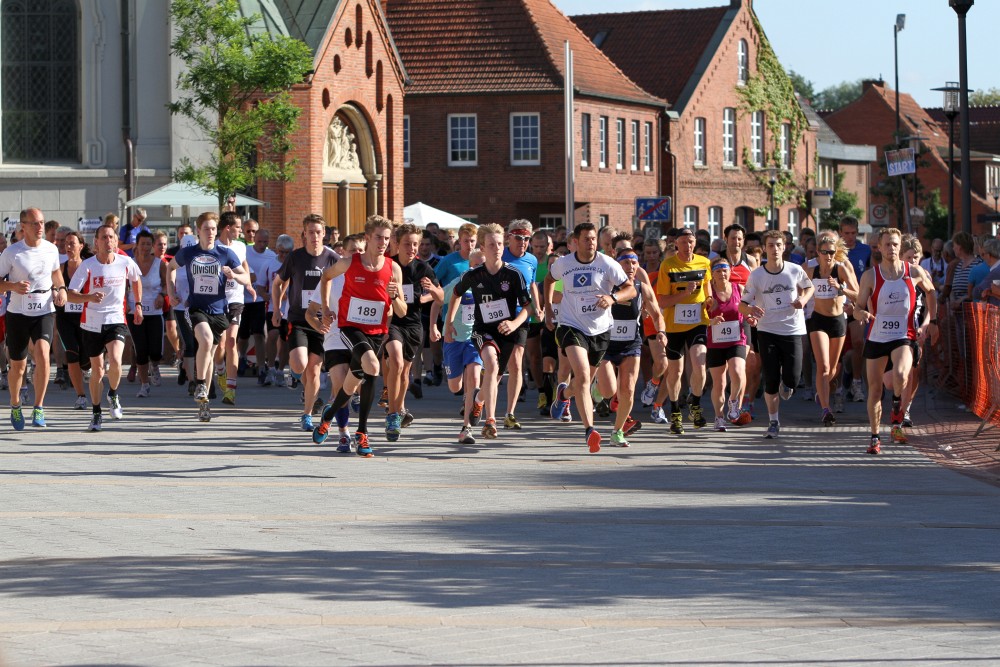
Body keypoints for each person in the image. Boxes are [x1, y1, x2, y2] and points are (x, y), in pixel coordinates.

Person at [312, 215, 405, 457]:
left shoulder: (393, 268)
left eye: (387, 239)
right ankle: (362, 433)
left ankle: (328, 416)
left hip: (377, 332)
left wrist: (395, 296)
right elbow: (325, 277)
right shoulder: (349, 262)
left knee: (354, 381)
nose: (383, 243)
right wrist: (326, 309)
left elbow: (402, 311)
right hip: (350, 327)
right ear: (367, 238)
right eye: (378, 238)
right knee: (373, 366)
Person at [545, 222, 635, 452]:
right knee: (584, 376)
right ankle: (589, 430)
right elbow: (548, 280)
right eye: (586, 239)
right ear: (576, 241)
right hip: (571, 325)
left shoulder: (607, 263)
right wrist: (548, 309)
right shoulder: (564, 263)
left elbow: (631, 289)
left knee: (581, 383)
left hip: (600, 330)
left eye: (594, 238)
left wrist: (613, 298)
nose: (591, 243)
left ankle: (563, 394)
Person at [853, 228, 938, 455]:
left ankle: (898, 405)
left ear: (900, 247)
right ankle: (875, 437)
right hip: (877, 337)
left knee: (901, 375)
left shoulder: (914, 272)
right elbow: (857, 307)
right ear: (879, 248)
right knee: (875, 390)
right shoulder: (870, 276)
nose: (891, 248)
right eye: (887, 244)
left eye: (895, 244)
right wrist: (861, 314)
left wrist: (932, 321)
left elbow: (931, 293)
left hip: (903, 336)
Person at [449, 223, 534, 441]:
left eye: (499, 244)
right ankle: (490, 421)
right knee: (491, 363)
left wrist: (514, 324)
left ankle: (479, 400)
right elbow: (456, 294)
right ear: (482, 248)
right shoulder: (474, 274)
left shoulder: (513, 274)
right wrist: (449, 322)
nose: (496, 248)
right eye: (491, 245)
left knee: (494, 378)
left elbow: (528, 307)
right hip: (482, 330)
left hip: (506, 332)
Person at [167, 212, 250, 421]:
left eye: (213, 229)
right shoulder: (189, 252)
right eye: (207, 229)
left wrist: (233, 275)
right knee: (205, 340)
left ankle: (204, 404)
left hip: (219, 311)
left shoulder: (225, 253)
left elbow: (246, 278)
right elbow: (170, 268)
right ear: (198, 231)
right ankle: (200, 384)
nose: (211, 233)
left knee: (210, 354)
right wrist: (171, 291)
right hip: (196, 308)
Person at [66, 224, 143, 431]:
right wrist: (89, 297)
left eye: (111, 237)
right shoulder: (88, 265)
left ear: (116, 241)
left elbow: (136, 280)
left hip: (116, 319)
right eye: (104, 238)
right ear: (96, 243)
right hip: (91, 322)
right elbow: (70, 294)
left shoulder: (126, 262)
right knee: (98, 371)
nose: (108, 241)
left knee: (116, 360)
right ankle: (96, 412)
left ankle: (114, 394)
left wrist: (137, 304)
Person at [739, 230, 814, 439]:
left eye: (778, 245)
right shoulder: (757, 275)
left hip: (792, 329)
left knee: (793, 378)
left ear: (784, 247)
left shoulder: (794, 270)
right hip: (767, 330)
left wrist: (803, 300)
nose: (775, 249)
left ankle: (787, 383)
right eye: (771, 245)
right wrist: (751, 310)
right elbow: (742, 305)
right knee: (770, 379)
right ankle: (773, 421)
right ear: (764, 249)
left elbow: (809, 287)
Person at [0, 208, 67, 429]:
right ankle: (15, 404)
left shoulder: (51, 249)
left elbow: (56, 273)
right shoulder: (12, 252)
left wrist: (61, 288)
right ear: (23, 226)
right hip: (18, 313)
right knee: (18, 367)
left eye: (41, 222)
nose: (40, 227)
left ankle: (39, 407)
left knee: (43, 355)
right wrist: (12, 286)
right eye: (34, 223)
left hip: (44, 309)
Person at [271, 214, 339, 429]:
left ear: (324, 234)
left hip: (321, 323)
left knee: (314, 371)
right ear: (304, 234)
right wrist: (276, 309)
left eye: (318, 232)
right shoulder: (295, 257)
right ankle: (295, 373)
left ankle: (307, 414)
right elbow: (277, 283)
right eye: (311, 232)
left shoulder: (333, 258)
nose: (315, 236)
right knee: (300, 364)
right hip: (299, 319)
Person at [594, 247, 666, 446]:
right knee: (608, 391)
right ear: (617, 265)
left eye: (634, 263)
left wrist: (661, 331)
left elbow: (657, 314)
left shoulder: (642, 288)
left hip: (631, 344)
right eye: (626, 262)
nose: (631, 266)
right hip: (606, 344)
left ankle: (617, 432)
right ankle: (597, 385)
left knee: (627, 390)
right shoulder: (606, 284)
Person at [305, 233, 366, 452]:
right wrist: (319, 324)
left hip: (361, 340)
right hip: (335, 340)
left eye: (361, 250)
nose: (357, 254)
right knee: (341, 388)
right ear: (343, 253)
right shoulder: (331, 279)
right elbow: (310, 313)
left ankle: (330, 414)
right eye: (353, 250)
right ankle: (344, 435)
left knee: (352, 389)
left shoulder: (370, 279)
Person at [383, 222, 442, 441]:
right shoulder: (389, 265)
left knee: (405, 371)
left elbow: (441, 297)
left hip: (413, 324)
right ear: (397, 243)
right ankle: (392, 415)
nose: (412, 248)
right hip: (392, 322)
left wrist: (430, 291)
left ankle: (398, 409)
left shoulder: (423, 268)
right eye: (407, 244)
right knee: (396, 361)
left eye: (415, 244)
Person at [652, 227, 711, 434]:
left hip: (698, 322)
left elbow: (707, 288)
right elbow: (662, 301)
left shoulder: (704, 262)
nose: (688, 246)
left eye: (691, 242)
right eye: (684, 242)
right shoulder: (668, 265)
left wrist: (710, 301)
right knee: (676, 372)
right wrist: (685, 293)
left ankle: (695, 405)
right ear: (676, 244)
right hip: (674, 326)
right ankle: (675, 412)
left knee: (700, 365)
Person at [432, 249, 485, 444]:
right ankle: (467, 396)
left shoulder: (491, 285)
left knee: (474, 377)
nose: (481, 269)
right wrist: (433, 326)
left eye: (484, 265)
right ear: (470, 267)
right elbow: (438, 300)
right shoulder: (460, 282)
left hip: (475, 338)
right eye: (477, 265)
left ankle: (466, 428)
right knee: (455, 386)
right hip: (454, 338)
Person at [806, 231, 858, 425]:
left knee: (834, 368)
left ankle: (823, 389)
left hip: (837, 321)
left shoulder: (841, 269)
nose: (828, 255)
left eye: (831, 252)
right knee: (824, 366)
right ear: (818, 252)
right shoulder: (810, 269)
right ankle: (826, 409)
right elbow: (794, 285)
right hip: (818, 320)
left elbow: (858, 294)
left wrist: (840, 288)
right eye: (824, 252)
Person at [499, 219, 541, 430]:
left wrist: (538, 306)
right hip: (497, 316)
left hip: (522, 315)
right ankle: (479, 402)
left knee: (516, 363)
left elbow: (532, 285)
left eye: (526, 238)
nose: (523, 242)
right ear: (509, 238)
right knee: (496, 366)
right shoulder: (499, 255)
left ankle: (510, 413)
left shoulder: (532, 260)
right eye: (518, 238)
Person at [213, 211, 254, 405]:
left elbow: (244, 264)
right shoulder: (213, 247)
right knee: (220, 344)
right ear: (228, 228)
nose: (241, 231)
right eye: (238, 227)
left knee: (231, 341)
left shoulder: (240, 246)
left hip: (236, 299)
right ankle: (220, 369)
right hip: (217, 299)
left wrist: (249, 285)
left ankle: (231, 389)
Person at [704, 256, 749, 431]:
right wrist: (711, 321)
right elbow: (699, 320)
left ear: (730, 272)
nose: (722, 274)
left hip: (737, 339)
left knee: (737, 371)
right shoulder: (708, 295)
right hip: (715, 342)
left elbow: (747, 310)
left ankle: (733, 401)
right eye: (718, 271)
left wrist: (751, 318)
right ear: (712, 274)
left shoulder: (739, 289)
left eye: (725, 271)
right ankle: (719, 417)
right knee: (719, 383)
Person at [127, 231, 168, 398]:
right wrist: (124, 303)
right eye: (142, 244)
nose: (145, 247)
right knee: (141, 349)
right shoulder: (129, 263)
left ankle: (155, 366)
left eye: (148, 244)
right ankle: (144, 385)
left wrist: (162, 295)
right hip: (134, 311)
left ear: (152, 246)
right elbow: (123, 286)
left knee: (156, 351)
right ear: (137, 245)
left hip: (155, 311)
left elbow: (167, 284)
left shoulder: (160, 264)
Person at [55, 231, 93, 410]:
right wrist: (55, 294)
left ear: (81, 246)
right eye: (66, 244)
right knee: (72, 353)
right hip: (65, 318)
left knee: (85, 357)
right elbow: (53, 286)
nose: (68, 247)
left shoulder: (89, 267)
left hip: (85, 317)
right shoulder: (60, 269)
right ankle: (81, 396)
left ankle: (87, 368)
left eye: (72, 243)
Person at [840, 216, 871, 403]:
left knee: (859, 343)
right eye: (846, 233)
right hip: (837, 304)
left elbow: (870, 276)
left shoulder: (865, 250)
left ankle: (857, 383)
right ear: (840, 233)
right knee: (840, 350)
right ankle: (841, 380)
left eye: (853, 233)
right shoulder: (835, 251)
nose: (850, 237)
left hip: (858, 303)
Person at [239, 220, 274, 385]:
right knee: (243, 334)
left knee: (259, 333)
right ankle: (242, 357)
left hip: (259, 300)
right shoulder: (244, 251)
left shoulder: (271, 255)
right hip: (243, 298)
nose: (261, 244)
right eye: (259, 241)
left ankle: (261, 368)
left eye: (265, 242)